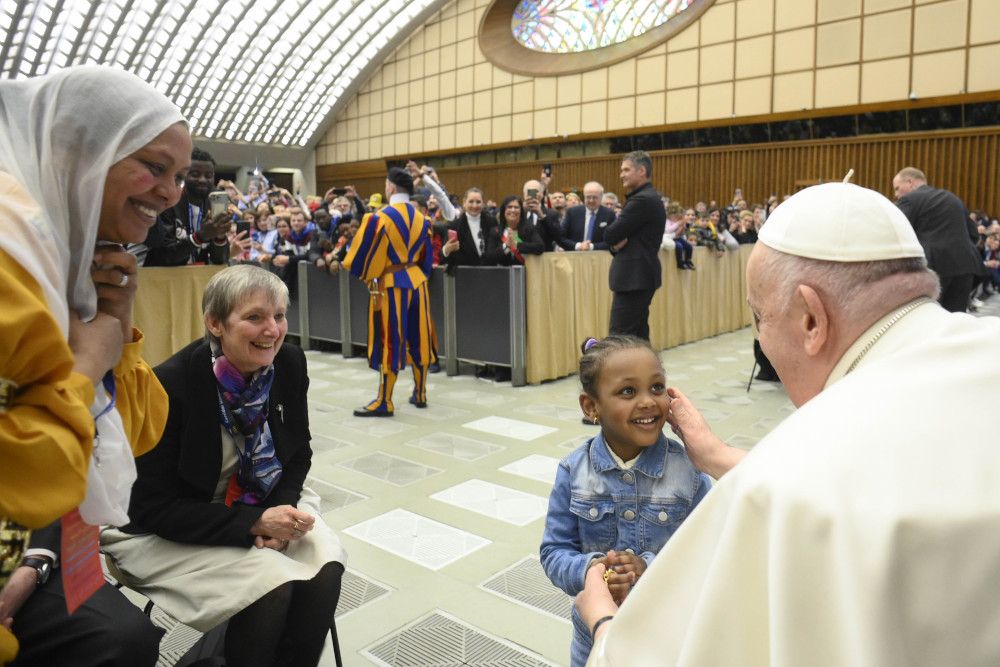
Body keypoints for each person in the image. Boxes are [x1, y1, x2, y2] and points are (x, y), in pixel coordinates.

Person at [577, 182, 1000, 666]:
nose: (762, 341)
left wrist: (604, 623)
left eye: (760, 319)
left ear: (812, 320)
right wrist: (717, 456)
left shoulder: (783, 484)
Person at [0, 65, 182, 666]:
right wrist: (85, 362)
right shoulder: (12, 255)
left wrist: (116, 324)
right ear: (74, 151)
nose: (172, 192)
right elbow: (23, 476)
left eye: (179, 175)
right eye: (154, 166)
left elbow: (138, 432)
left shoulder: (60, 260)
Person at [101, 265, 347, 667]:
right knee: (272, 586)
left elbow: (297, 452)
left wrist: (279, 512)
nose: (272, 330)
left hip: (267, 496)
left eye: (279, 316)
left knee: (324, 569)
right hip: (169, 524)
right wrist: (253, 523)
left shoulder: (288, 362)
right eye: (254, 317)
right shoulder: (171, 385)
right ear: (215, 323)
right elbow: (153, 507)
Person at [541, 336, 710, 667]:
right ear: (591, 407)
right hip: (593, 639)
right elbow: (554, 551)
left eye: (657, 387)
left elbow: (706, 553)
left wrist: (647, 566)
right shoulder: (573, 470)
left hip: (670, 636)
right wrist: (593, 569)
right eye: (628, 392)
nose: (648, 401)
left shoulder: (690, 470)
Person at [344, 167, 436, 415]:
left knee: (389, 339)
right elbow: (427, 260)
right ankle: (420, 392)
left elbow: (360, 258)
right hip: (418, 282)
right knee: (420, 336)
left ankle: (385, 400)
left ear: (391, 188)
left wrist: (370, 277)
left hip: (390, 284)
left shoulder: (378, 218)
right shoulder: (424, 220)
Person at [892, 167, 984, 312]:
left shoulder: (909, 200)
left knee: (928, 319)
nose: (896, 194)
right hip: (964, 265)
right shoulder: (953, 198)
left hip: (933, 268)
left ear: (910, 182)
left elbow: (898, 233)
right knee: (955, 318)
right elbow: (974, 233)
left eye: (897, 188)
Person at [603, 151, 666, 340]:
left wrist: (614, 242)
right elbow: (616, 240)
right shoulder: (647, 197)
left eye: (626, 170)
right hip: (639, 276)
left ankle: (626, 371)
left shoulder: (641, 200)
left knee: (619, 338)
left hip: (634, 278)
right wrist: (615, 245)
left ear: (642, 171)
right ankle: (646, 371)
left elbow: (610, 234)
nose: (621, 174)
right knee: (638, 336)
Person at [489, 195, 545, 265]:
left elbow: (540, 247)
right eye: (509, 207)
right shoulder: (495, 231)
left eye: (516, 207)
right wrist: (506, 246)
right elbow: (490, 257)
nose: (513, 210)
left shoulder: (529, 229)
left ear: (521, 211)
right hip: (503, 273)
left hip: (527, 272)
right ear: (503, 211)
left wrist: (517, 245)